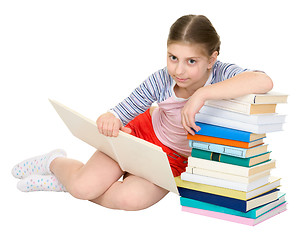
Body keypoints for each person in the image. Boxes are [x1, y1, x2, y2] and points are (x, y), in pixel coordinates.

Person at [11, 15, 273, 211]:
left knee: (131, 200)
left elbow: (264, 82)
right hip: (140, 136)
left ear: (211, 60)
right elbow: (121, 111)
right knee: (83, 187)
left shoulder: (221, 74)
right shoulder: (161, 80)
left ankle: (65, 184)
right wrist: (110, 119)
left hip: (174, 160)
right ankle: (55, 164)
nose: (179, 70)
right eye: (172, 57)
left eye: (191, 61)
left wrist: (201, 95)